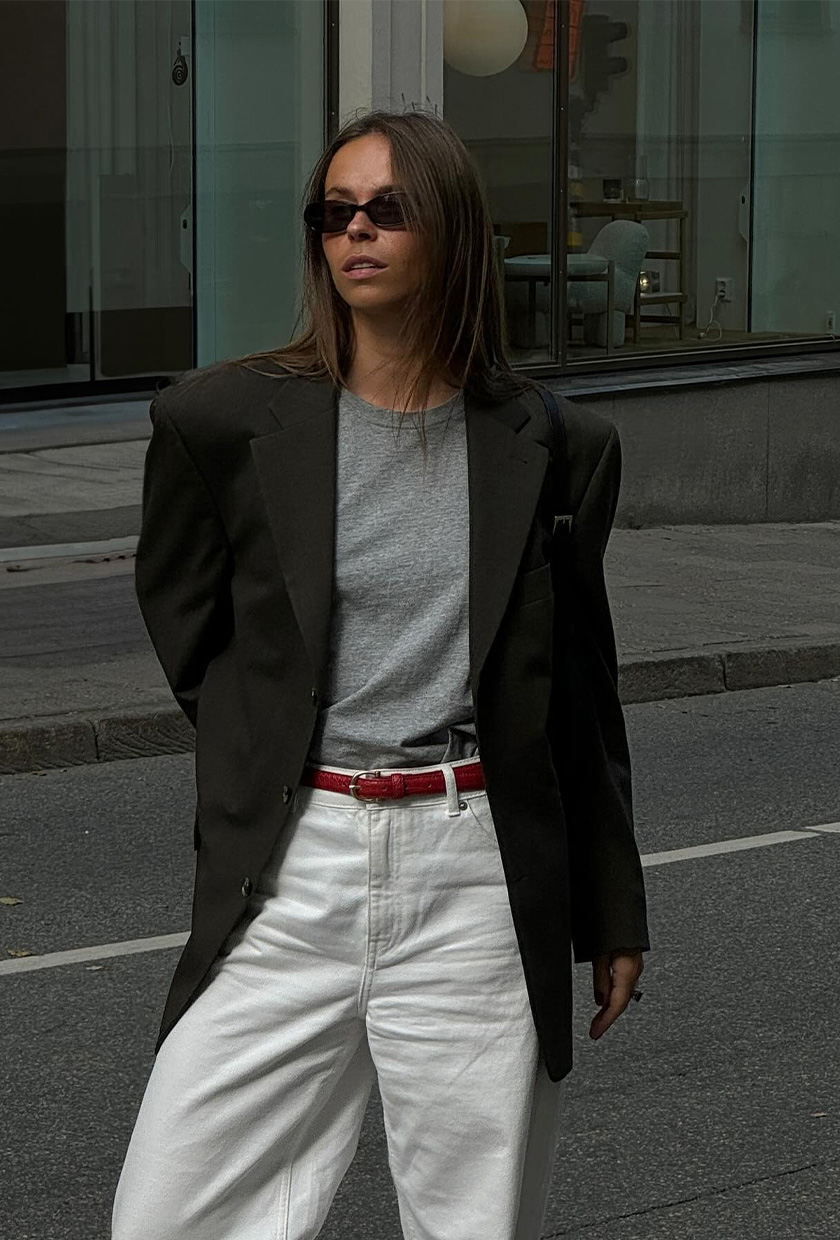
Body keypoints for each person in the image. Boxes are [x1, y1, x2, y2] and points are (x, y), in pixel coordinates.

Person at [112, 107, 650, 1240]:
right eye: (335, 212)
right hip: (294, 868)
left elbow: (578, 695)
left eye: (388, 210)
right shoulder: (220, 421)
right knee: (171, 1211)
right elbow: (192, 627)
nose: (355, 232)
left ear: (452, 231)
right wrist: (261, 745)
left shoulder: (558, 447)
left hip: (475, 875)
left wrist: (611, 907)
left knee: (472, 1220)